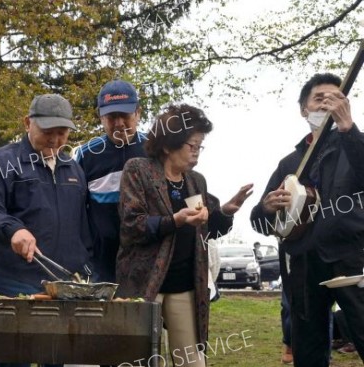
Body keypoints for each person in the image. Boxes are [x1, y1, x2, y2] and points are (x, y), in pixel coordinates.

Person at [116, 104, 253, 367]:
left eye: (200, 146)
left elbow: (207, 228)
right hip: (145, 284)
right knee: (137, 360)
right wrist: (173, 221)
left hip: (185, 285)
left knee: (191, 361)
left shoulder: (196, 181)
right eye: (192, 145)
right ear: (168, 145)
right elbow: (132, 225)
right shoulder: (138, 170)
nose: (196, 153)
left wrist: (225, 211)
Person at [250, 73, 364, 366]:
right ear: (304, 109)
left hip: (352, 257)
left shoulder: (353, 145)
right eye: (319, 98)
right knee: (309, 348)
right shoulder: (290, 164)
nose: (326, 103)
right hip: (303, 265)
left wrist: (348, 129)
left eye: (334, 98)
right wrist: (266, 208)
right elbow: (261, 224)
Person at [0, 93, 92, 295]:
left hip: (70, 282)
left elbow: (84, 227)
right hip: (17, 280)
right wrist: (14, 230)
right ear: (28, 123)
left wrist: (87, 265)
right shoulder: (0, 162)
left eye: (61, 133)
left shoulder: (74, 169)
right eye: (47, 131)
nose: (54, 139)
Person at [75, 79, 146, 283]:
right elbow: (76, 209)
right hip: (101, 264)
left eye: (124, 115)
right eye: (111, 117)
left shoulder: (156, 150)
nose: (119, 123)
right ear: (100, 117)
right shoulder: (85, 155)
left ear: (138, 113)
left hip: (147, 258)